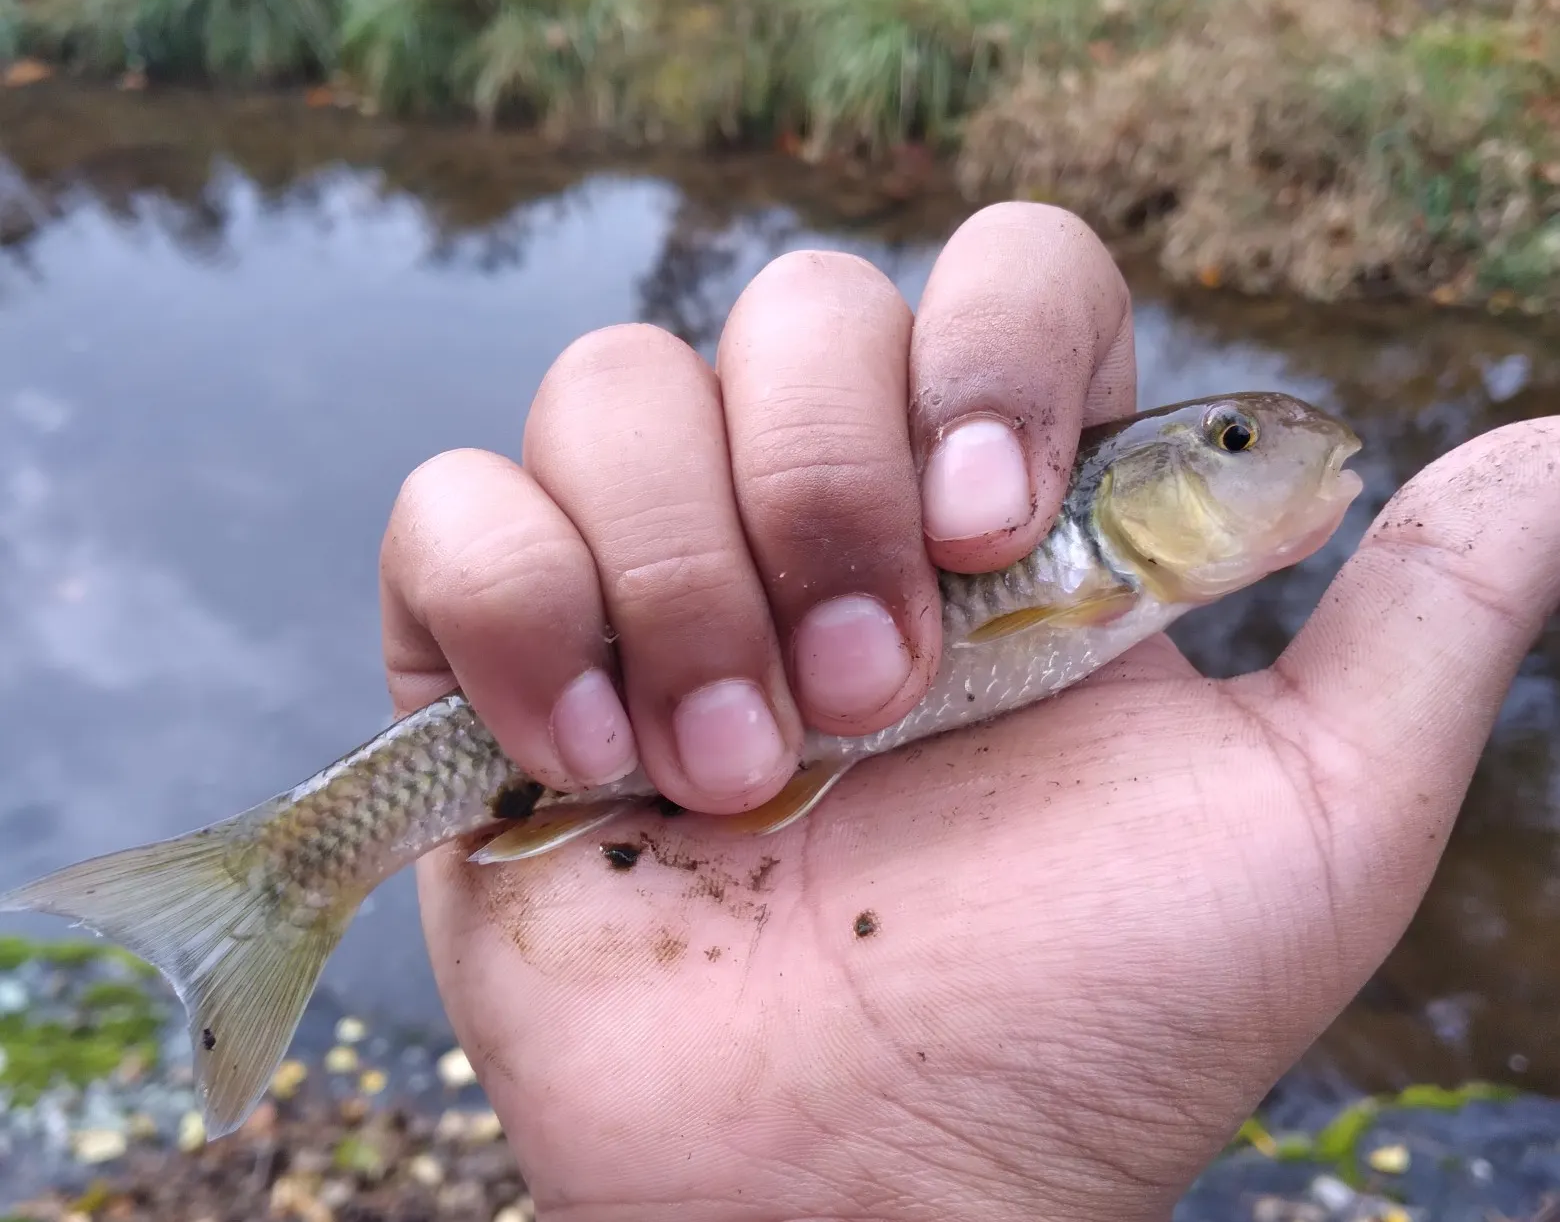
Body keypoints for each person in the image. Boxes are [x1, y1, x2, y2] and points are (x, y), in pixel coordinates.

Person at [377, 202, 1560, 1222]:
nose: (1276, 448)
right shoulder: (1085, 568)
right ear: (1136, 491)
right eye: (1234, 440)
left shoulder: (1115, 615)